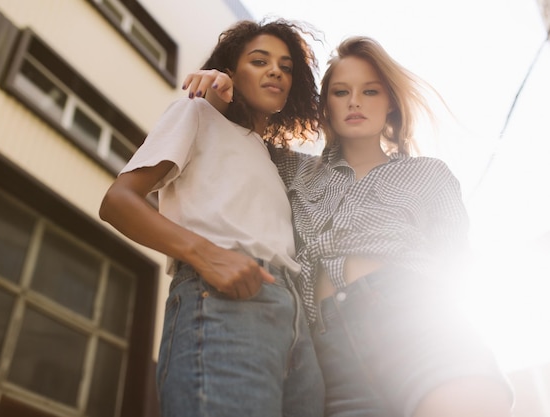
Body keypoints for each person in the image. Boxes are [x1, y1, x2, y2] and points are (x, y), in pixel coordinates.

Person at [184, 36, 513, 417]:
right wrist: (219, 86)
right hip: (327, 348)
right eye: (341, 92)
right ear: (325, 108)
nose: (355, 101)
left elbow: (457, 263)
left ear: (389, 102)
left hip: (417, 319)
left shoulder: (429, 174)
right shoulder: (292, 169)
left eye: (370, 91)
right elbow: (232, 135)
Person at [99, 19, 324, 417]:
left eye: (286, 67)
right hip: (226, 301)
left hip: (295, 329)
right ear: (231, 73)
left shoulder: (275, 161)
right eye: (260, 61)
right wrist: (206, 255)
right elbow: (118, 201)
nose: (276, 71)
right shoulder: (198, 113)